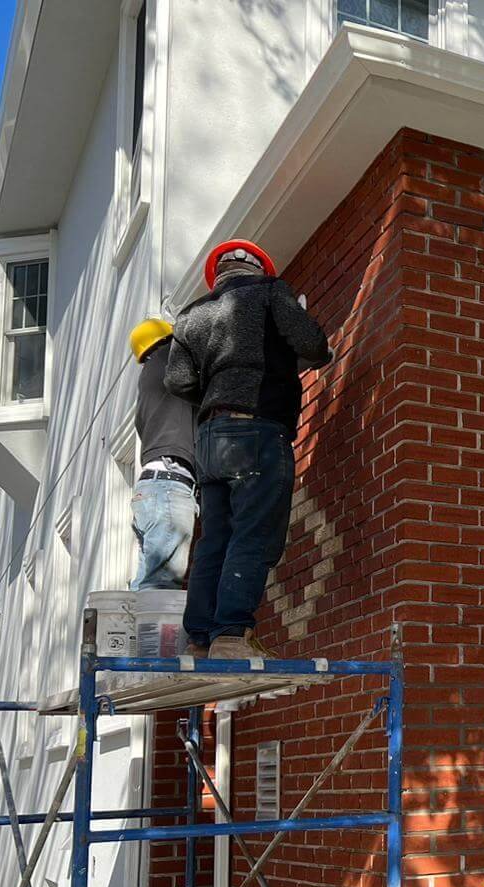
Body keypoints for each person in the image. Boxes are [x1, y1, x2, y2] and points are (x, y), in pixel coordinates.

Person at [166, 239, 332, 658]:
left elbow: (178, 382)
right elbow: (312, 345)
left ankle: (199, 641)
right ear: (259, 268)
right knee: (254, 533)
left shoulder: (190, 316)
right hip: (257, 427)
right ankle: (231, 636)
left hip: (209, 437)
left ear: (217, 275)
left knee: (214, 539)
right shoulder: (271, 292)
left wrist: (218, 386)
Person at [128, 318, 197, 591]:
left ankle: (135, 634)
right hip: (169, 484)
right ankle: (151, 637)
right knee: (162, 584)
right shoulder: (171, 359)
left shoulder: (148, 381)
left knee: (146, 582)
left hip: (150, 489)